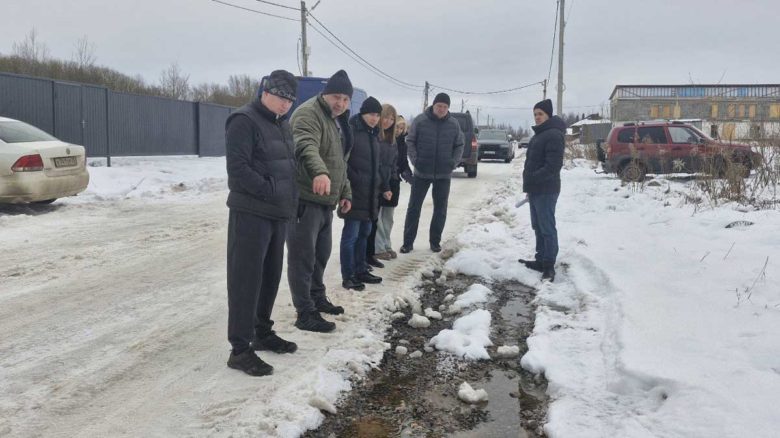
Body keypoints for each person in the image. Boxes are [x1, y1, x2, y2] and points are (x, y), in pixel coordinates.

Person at [224, 69, 299, 377]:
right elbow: (238, 169)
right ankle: (240, 350)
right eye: (281, 97)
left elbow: (288, 167)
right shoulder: (243, 120)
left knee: (270, 277)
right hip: (251, 213)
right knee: (246, 280)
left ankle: (262, 332)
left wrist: (291, 199)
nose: (285, 104)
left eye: (290, 100)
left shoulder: (282, 124)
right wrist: (270, 190)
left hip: (277, 213)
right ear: (265, 92)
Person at [287, 69, 354, 333]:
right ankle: (304, 312)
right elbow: (305, 146)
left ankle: (317, 297)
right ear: (325, 94)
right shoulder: (308, 114)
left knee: (320, 256)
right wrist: (319, 172)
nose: (341, 103)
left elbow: (340, 161)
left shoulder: (336, 120)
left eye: (345, 99)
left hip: (326, 200)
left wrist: (345, 192)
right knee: (303, 258)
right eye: (336, 97)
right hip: (305, 198)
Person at [400, 93, 464, 254]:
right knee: (414, 208)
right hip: (421, 172)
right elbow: (410, 141)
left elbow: (459, 145)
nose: (441, 109)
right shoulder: (420, 120)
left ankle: (435, 242)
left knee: (440, 209)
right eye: (439, 106)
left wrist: (453, 162)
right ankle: (407, 243)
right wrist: (415, 160)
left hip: (443, 174)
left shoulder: (453, 124)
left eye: (445, 107)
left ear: (448, 108)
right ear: (433, 106)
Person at [340, 97, 391, 290]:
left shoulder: (374, 135)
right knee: (350, 237)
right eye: (371, 114)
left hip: (371, 194)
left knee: (364, 234)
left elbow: (378, 166)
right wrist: (357, 179)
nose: (374, 118)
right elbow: (342, 161)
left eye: (377, 115)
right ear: (362, 113)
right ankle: (348, 275)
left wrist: (384, 186)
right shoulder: (352, 131)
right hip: (354, 192)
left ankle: (361, 269)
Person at [517, 98, 565, 282]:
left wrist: (533, 178)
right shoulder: (539, 134)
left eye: (541, 114)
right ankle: (540, 259)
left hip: (547, 189)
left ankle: (549, 265)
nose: (537, 117)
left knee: (547, 227)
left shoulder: (553, 135)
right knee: (537, 226)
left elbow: (553, 166)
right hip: (536, 189)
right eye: (535, 114)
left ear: (548, 115)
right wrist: (530, 185)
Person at [373, 105, 401, 261]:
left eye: (391, 119)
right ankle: (379, 248)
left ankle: (386, 244)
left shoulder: (392, 140)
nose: (388, 122)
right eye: (386, 117)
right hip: (378, 183)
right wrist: (383, 185)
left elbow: (393, 163)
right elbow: (376, 164)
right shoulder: (375, 137)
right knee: (377, 218)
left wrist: (394, 180)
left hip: (391, 182)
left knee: (388, 218)